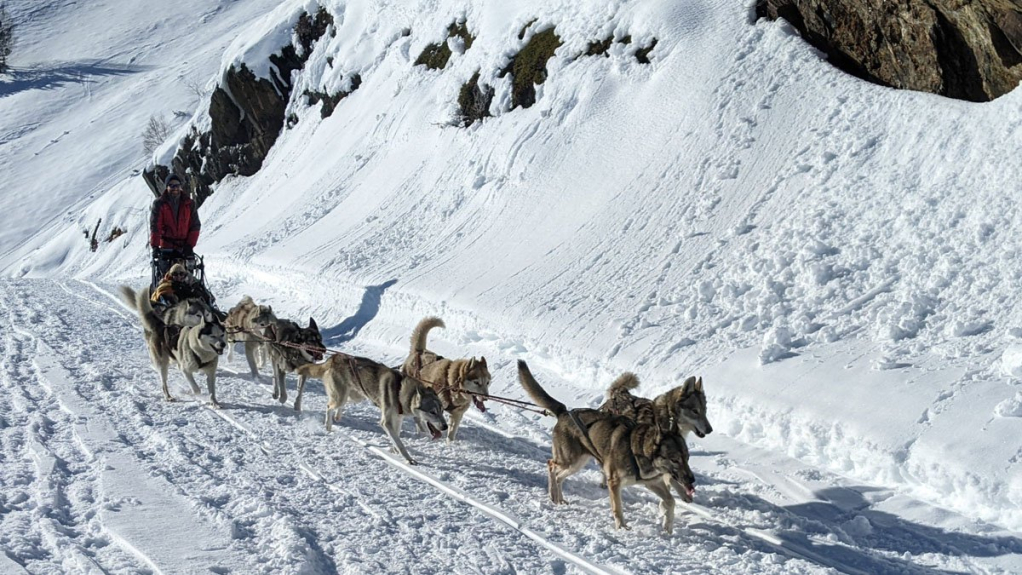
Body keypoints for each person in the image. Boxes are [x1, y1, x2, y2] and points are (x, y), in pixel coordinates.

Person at [150, 173, 200, 256]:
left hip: (184, 248)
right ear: (167, 187)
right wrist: (155, 246)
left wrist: (190, 245)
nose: (175, 188)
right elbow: (155, 226)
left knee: (190, 263)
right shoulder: (159, 204)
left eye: (177, 185)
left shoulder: (189, 204)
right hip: (166, 248)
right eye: (172, 185)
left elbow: (195, 225)